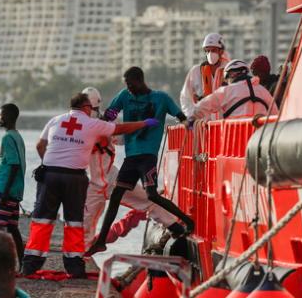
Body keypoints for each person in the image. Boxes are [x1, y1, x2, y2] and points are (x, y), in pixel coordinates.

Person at [21, 93, 159, 278]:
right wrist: (144, 123)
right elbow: (120, 129)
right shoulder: (90, 123)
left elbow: (40, 145)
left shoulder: (55, 120)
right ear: (86, 108)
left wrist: (51, 162)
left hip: (50, 175)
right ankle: (74, 267)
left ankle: (29, 266)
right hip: (74, 178)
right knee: (74, 222)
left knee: (42, 221)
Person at [86, 67, 194, 258]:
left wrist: (190, 127)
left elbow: (181, 118)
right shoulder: (120, 99)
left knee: (150, 196)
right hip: (112, 171)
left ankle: (181, 223)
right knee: (104, 207)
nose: (128, 88)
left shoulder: (160, 98)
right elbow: (109, 118)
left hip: (131, 165)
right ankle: (93, 247)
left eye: (130, 84)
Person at [0, 103, 26, 271]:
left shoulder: (7, 138)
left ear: (9, 118)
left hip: (7, 191)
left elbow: (14, 164)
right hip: (15, 191)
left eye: (1, 115)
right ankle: (22, 263)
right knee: (12, 227)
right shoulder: (18, 136)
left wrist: (5, 192)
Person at [189, 60, 278, 121]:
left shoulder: (227, 91)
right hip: (258, 141)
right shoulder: (263, 91)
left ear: (233, 75)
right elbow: (275, 115)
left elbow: (200, 108)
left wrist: (191, 119)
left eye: (226, 80)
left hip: (234, 143)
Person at [180, 33, 229, 120]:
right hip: (203, 126)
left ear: (221, 51)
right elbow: (185, 97)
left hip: (224, 125)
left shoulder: (229, 71)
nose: (210, 54)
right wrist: (191, 116)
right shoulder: (196, 71)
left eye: (213, 50)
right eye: (207, 50)